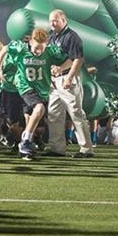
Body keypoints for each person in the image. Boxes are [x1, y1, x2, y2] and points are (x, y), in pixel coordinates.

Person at [3, 29, 71, 160]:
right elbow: (5, 49)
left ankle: (26, 149)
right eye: (36, 47)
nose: (38, 51)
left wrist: (60, 68)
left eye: (41, 48)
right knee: (39, 108)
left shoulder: (50, 51)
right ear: (30, 41)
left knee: (32, 118)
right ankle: (25, 141)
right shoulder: (21, 48)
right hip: (25, 86)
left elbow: (70, 60)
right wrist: (0, 69)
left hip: (42, 90)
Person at [46, 10, 93, 158]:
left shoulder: (72, 36)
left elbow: (77, 59)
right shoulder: (52, 35)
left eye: (55, 20)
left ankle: (86, 149)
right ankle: (57, 148)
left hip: (68, 79)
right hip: (55, 80)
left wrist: (69, 77)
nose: (52, 23)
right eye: (50, 21)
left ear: (64, 20)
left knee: (76, 114)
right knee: (54, 114)